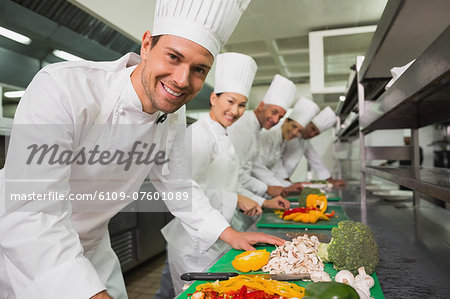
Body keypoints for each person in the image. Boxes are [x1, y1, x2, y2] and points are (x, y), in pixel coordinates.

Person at [0, 1, 286, 299]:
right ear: (147, 45)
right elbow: (33, 213)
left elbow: (177, 185)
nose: (181, 80)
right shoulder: (63, 88)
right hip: (27, 251)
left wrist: (230, 234)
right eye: (173, 57)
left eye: (199, 69)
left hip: (94, 248)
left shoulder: (172, 116)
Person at [161, 52, 265, 293]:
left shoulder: (224, 136)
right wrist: (236, 199)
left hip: (221, 235)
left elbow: (230, 182)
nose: (235, 110)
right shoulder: (198, 135)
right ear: (213, 98)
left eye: (241, 105)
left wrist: (258, 199)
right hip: (192, 243)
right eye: (230, 101)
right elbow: (185, 190)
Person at [228, 74, 296, 208]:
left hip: (240, 194)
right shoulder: (243, 128)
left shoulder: (256, 130)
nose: (276, 120)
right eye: (274, 112)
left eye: (280, 117)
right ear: (261, 106)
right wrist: (266, 189)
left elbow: (250, 166)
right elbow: (236, 174)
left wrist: (270, 189)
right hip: (231, 196)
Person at [253, 97, 320, 188]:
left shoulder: (282, 141)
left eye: (299, 131)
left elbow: (276, 165)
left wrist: (289, 184)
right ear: (286, 121)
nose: (294, 133)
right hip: (253, 186)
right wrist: (284, 186)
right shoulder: (269, 136)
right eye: (293, 126)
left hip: (264, 186)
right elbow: (257, 167)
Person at [281, 106, 346, 187]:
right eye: (312, 129)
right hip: (272, 181)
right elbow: (275, 162)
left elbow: (315, 159)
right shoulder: (288, 135)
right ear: (307, 123)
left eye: (316, 134)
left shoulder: (304, 141)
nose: (312, 134)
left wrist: (330, 181)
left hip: (281, 183)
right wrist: (287, 182)